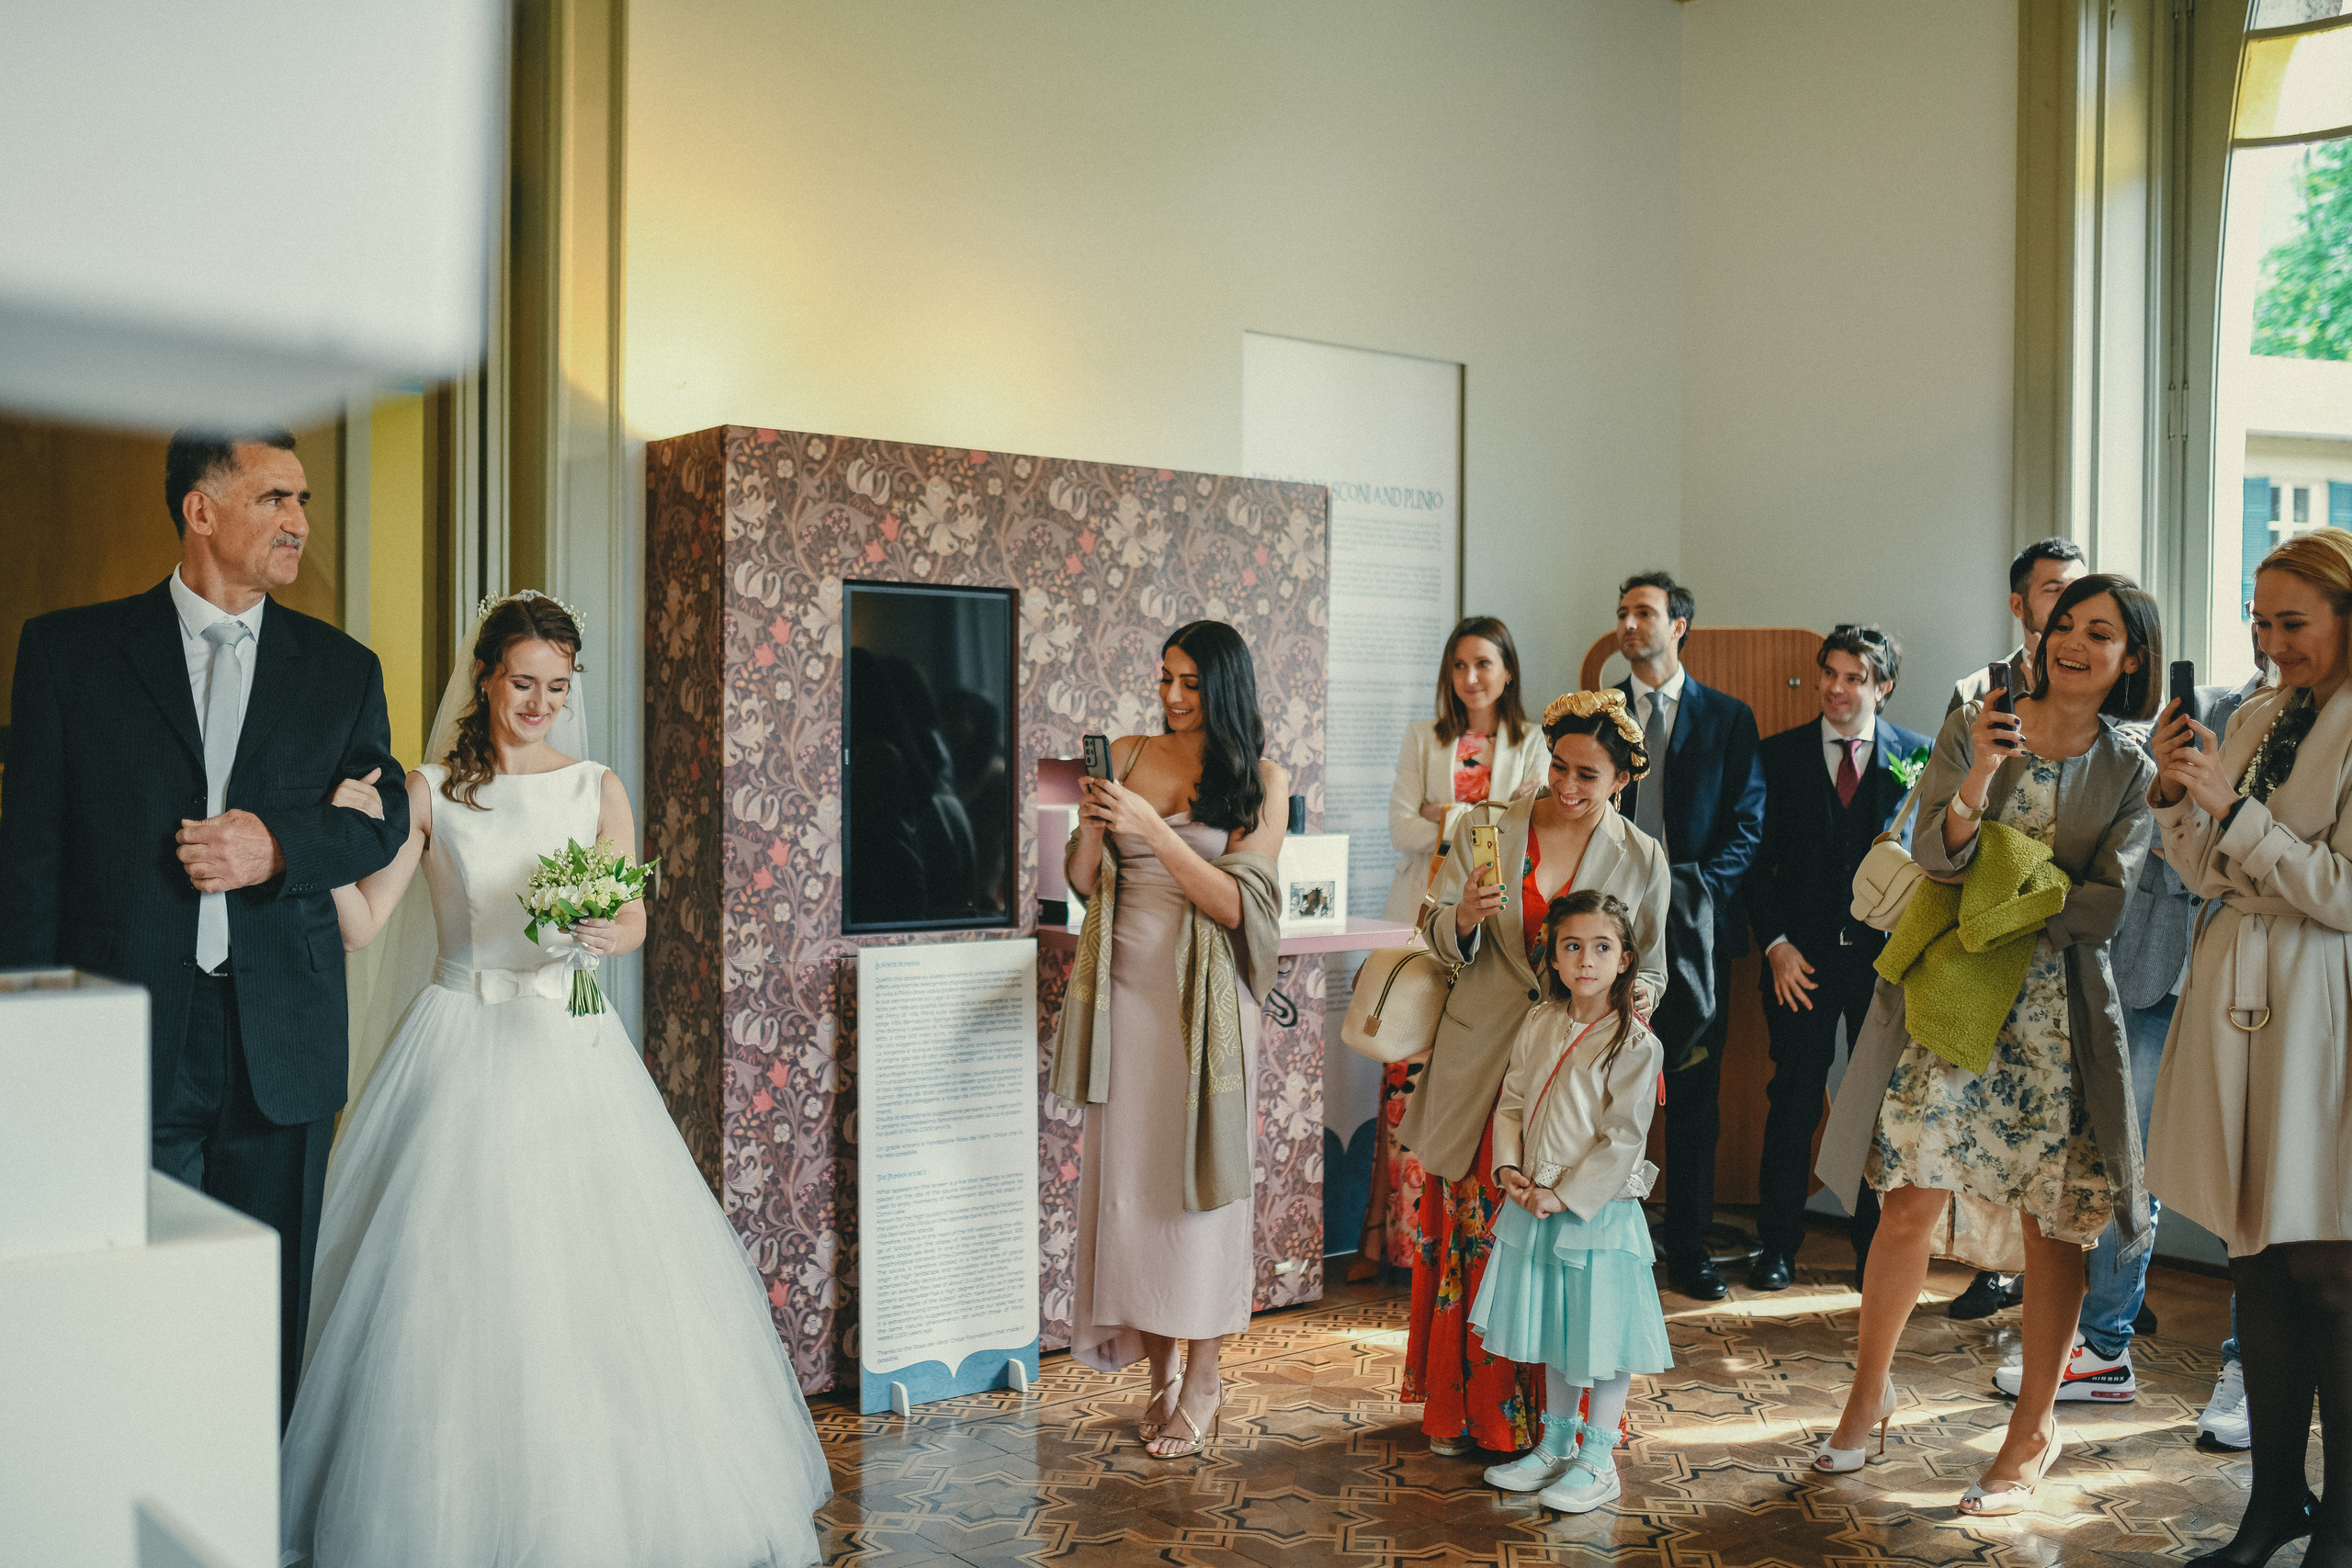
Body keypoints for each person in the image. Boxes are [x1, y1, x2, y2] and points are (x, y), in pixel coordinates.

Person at [277, 592, 829, 1566]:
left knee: (595, 1280)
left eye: (557, 687)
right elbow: (364, 923)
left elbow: (628, 919)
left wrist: (613, 928)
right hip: (458, 1044)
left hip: (573, 1053)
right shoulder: (432, 789)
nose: (538, 702)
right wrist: (326, 834)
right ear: (485, 677)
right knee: (447, 1287)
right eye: (522, 682)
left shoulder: (596, 788)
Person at [0, 428, 409, 1425]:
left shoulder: (340, 670)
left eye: (304, 500)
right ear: (202, 508)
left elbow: (384, 815)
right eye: (276, 498)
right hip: (124, 1036)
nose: (299, 523)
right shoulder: (68, 653)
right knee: (128, 1293)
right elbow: (29, 863)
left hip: (282, 1039)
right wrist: (29, 1038)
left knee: (264, 1311)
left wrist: (278, 846)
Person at [1815, 573, 2159, 1516]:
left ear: (2132, 659)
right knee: (1905, 1203)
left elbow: (2105, 906)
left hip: (2054, 1023)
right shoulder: (1979, 717)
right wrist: (1974, 787)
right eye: (2064, 624)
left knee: (2054, 1230)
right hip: (1952, 999)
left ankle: (2031, 1430)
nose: (2073, 643)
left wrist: (1995, 890)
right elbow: (1932, 848)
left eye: (2101, 633)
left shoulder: (2129, 767)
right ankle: (1865, 1395)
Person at [2147, 527, 2352, 1568]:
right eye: (2259, 623)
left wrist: (2235, 815)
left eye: (2293, 624)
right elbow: (2208, 874)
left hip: (2324, 1006)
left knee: (2327, 1269)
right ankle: (2274, 1504)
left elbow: (2342, 894)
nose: (2272, 645)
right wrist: (2180, 798)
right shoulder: (2262, 712)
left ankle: (2346, 1521)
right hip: (2241, 991)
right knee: (2255, 1265)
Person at [1400, 690, 1668, 1457]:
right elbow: (1433, 931)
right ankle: (1470, 1411)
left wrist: (1624, 1007)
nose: (1568, 785)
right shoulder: (1487, 827)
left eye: (1589, 774)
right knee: (1477, 1230)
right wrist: (1461, 920)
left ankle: (1558, 1433)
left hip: (1576, 1076)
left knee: (1558, 1242)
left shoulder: (1642, 856)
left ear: (1623, 777)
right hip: (1481, 1053)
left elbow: (1650, 971)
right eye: (1558, 766)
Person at [1989, 662, 2258, 1404]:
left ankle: (2247, 1365)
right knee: (2123, 1165)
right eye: (2263, 623)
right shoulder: (2205, 707)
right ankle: (2106, 1346)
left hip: (2245, 978)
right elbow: (2157, 829)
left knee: (2252, 1175)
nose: (2271, 641)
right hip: (2145, 972)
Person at [1060, 620, 1288, 1461]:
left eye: (1190, 682)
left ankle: (1206, 1378)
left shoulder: (1263, 778)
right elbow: (1085, 885)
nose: (1172, 695)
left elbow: (1238, 906)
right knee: (1133, 1191)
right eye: (1164, 678)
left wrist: (1152, 830)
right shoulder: (1123, 754)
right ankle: (1158, 1368)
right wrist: (1092, 828)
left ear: (1223, 686)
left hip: (1208, 1007)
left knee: (1202, 1191)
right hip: (1125, 996)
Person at [1469, 890, 1672, 1517]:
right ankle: (1556, 1441)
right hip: (1537, 1200)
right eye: (1572, 946)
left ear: (1625, 959)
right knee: (1561, 1323)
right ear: (1554, 957)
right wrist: (1510, 1166)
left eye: (1601, 946)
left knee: (1602, 1330)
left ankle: (1598, 1458)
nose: (1586, 959)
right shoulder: (1540, 1023)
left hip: (1596, 1210)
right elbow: (1512, 1097)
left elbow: (1622, 1138)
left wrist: (1567, 1192)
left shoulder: (1634, 1043)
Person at [1358, 617, 1546, 1282]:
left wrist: (1450, 813)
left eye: (1484, 664)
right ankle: (1405, 1243)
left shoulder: (1534, 743)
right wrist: (1478, 815)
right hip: (1424, 921)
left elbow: (1532, 828)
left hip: (1498, 936)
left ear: (1508, 670)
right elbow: (1401, 827)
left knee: (1477, 1079)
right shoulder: (1425, 737)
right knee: (1406, 1076)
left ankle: (1481, 1242)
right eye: (1460, 665)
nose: (1471, 677)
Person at [1745, 626, 1929, 1291]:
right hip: (1802, 962)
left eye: (1854, 677)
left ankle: (1871, 1249)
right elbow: (1755, 865)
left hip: (1885, 965)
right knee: (1793, 1095)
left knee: (1880, 1104)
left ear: (1883, 687)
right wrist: (1775, 947)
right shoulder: (1778, 754)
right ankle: (1777, 1245)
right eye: (1830, 672)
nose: (1836, 687)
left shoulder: (1922, 756)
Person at [1611, 572, 1765, 1301]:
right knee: (1609, 1091)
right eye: (1622, 613)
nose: (1628, 623)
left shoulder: (1729, 718)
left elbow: (1748, 824)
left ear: (1680, 625)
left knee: (1696, 1097)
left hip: (1696, 932)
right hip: (1608, 935)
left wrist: (1693, 892)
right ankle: (1611, 1242)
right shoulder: (1602, 716)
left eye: (1644, 612)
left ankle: (1690, 1250)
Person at [1945, 537, 2088, 1321]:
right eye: (2053, 593)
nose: (2068, 610)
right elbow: (1942, 839)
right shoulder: (1979, 697)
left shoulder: (2114, 725)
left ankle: (2095, 1328)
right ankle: (1989, 1269)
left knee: (2069, 1172)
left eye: (2080, 594)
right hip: (1979, 953)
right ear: (2020, 603)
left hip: (2072, 963)